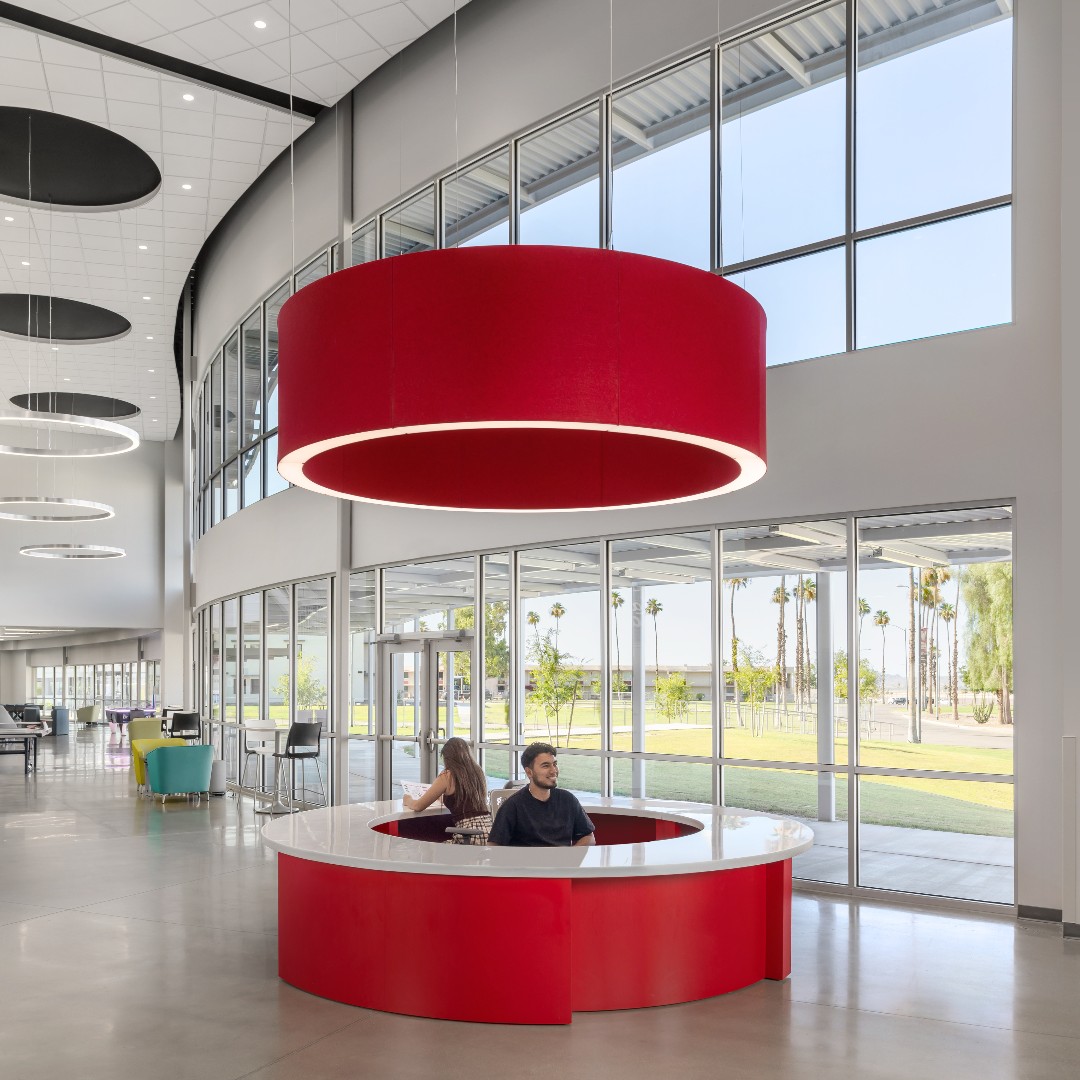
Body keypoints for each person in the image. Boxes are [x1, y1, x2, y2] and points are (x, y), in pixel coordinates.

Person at [487, 742, 596, 847]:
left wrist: (568, 856)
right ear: (529, 772)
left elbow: (589, 837)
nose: (554, 771)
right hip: (527, 864)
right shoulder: (513, 806)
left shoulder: (568, 799)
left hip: (562, 865)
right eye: (546, 766)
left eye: (555, 764)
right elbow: (494, 846)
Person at [402, 737, 492, 845]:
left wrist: (408, 799)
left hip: (470, 835)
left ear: (447, 758)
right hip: (490, 833)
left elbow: (418, 806)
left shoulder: (447, 775)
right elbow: (464, 798)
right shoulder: (478, 772)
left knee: (431, 850)